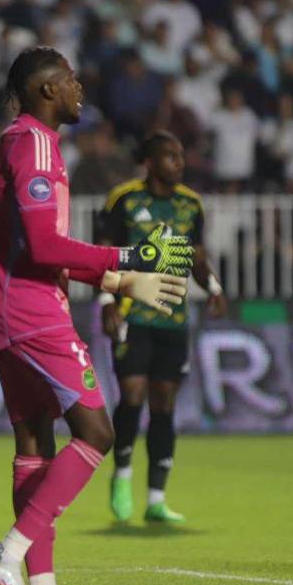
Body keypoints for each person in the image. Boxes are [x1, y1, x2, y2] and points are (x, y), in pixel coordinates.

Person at [0, 47, 194, 585]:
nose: (80, 89)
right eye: (71, 79)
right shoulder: (35, 144)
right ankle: (7, 553)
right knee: (98, 430)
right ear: (46, 89)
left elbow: (35, 244)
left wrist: (121, 280)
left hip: (6, 308)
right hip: (32, 310)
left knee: (35, 448)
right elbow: (45, 248)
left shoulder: (14, 142)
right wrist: (134, 254)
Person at [98, 131, 228, 524]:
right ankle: (121, 477)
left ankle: (156, 497)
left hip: (173, 316)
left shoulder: (191, 204)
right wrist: (107, 303)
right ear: (150, 162)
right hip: (132, 311)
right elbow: (103, 253)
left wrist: (215, 288)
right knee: (133, 393)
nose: (179, 162)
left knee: (164, 401)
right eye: (170, 156)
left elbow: (197, 256)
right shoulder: (124, 199)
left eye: (181, 155)